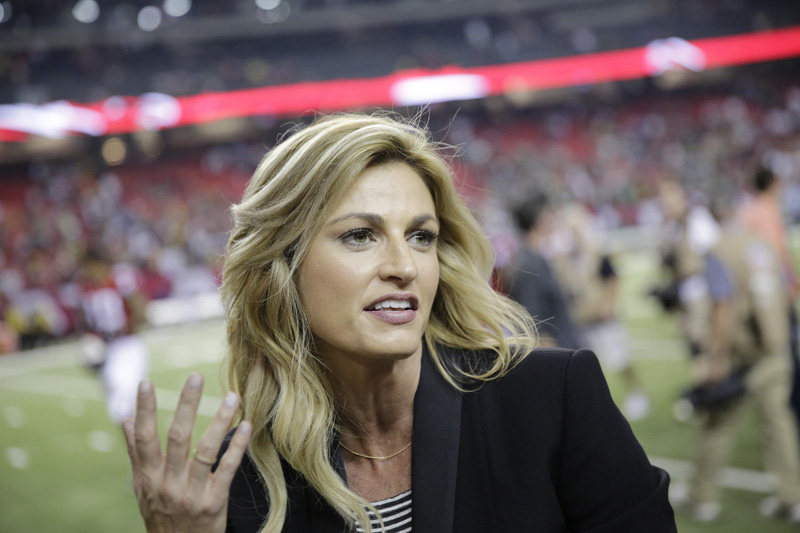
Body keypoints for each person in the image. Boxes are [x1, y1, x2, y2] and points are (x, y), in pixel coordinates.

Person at [122, 112, 676, 533]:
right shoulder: (238, 478)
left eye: (421, 236)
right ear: (281, 268)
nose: (404, 267)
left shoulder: (552, 398)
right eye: (360, 235)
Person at [679, 190, 800, 523]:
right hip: (776, 348)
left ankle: (701, 497)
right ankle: (792, 497)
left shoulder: (720, 249)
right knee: (779, 425)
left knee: (718, 424)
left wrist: (715, 355)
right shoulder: (760, 242)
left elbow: (723, 304)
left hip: (742, 355)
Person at [550, 202, 649, 421]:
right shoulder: (565, 256)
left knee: (620, 360)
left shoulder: (596, 250)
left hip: (602, 318)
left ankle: (637, 393)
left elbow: (612, 278)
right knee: (584, 365)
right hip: (581, 319)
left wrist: (609, 304)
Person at [505, 193, 587, 350]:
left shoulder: (536, 257)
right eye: (549, 213)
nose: (554, 218)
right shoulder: (528, 264)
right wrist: (555, 357)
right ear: (539, 220)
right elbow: (533, 321)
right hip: (557, 351)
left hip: (564, 345)